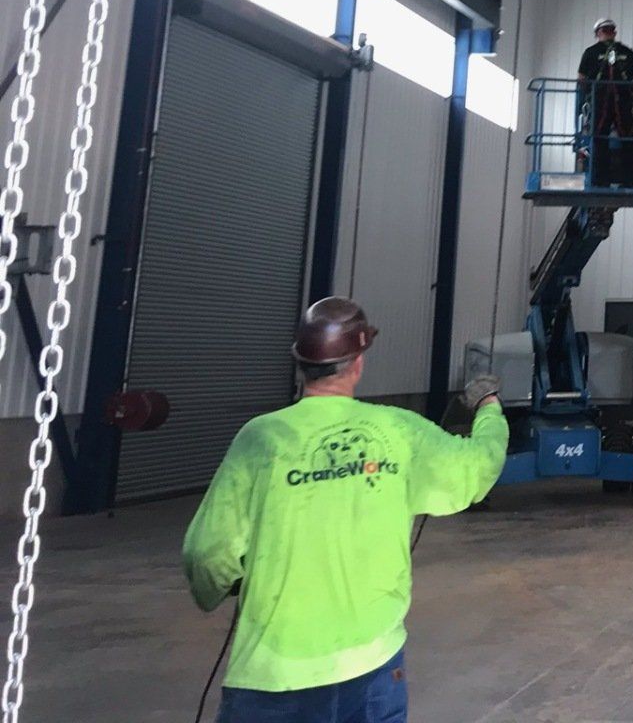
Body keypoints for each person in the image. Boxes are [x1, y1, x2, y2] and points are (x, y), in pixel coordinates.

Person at [182, 297, 506, 722]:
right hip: (373, 667)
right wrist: (489, 407)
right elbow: (477, 466)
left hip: (272, 675)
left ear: (301, 365)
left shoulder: (259, 439)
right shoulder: (398, 430)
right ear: (358, 363)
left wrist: (226, 585)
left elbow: (205, 552)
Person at [577, 16, 633, 186]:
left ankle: (600, 180)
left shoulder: (590, 52)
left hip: (600, 101)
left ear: (598, 33)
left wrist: (586, 97)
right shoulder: (627, 52)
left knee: (599, 139)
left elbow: (581, 79)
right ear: (614, 32)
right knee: (628, 138)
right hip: (622, 101)